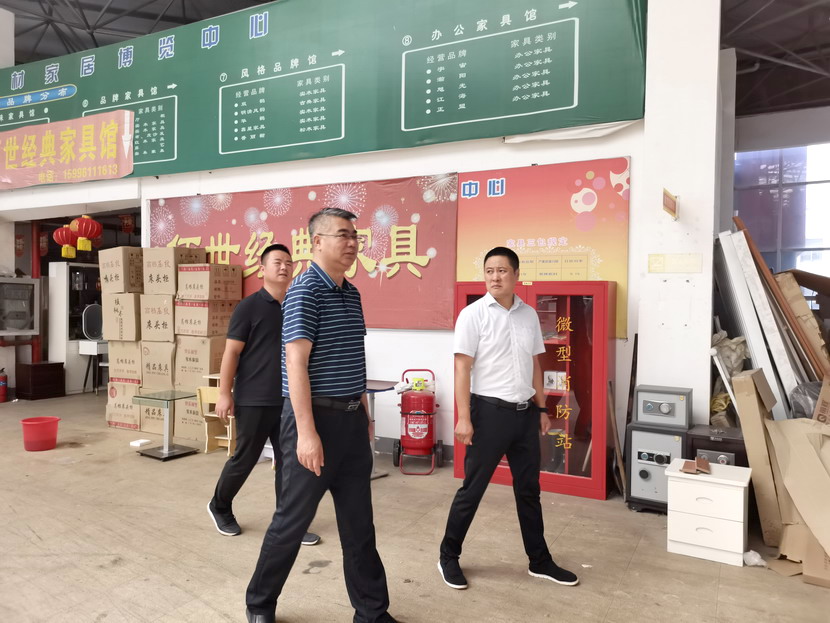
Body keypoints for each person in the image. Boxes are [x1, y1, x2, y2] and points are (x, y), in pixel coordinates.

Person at [245, 208, 396, 623]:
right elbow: (295, 363)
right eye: (342, 235)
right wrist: (307, 434)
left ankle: (372, 612)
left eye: (355, 236)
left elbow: (352, 357)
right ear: (317, 242)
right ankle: (259, 604)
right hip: (314, 422)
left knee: (359, 525)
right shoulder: (305, 290)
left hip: (350, 421)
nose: (352, 243)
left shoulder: (352, 293)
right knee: (292, 522)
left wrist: (363, 412)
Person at [437, 246, 579, 590]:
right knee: (473, 489)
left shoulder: (528, 315)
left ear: (516, 275)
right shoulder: (472, 315)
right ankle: (448, 556)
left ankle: (539, 561)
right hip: (488, 414)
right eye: (489, 271)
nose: (495, 277)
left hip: (524, 415)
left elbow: (535, 363)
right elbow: (461, 368)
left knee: (529, 490)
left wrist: (542, 409)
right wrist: (464, 418)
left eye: (502, 271)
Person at [206, 243, 319, 547]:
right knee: (245, 459)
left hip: (289, 400)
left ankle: (289, 522)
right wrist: (224, 393)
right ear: (263, 269)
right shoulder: (249, 307)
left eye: (288, 263)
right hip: (254, 398)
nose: (284, 267)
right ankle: (219, 505)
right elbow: (231, 352)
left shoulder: (296, 305)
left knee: (290, 463)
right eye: (277, 262)